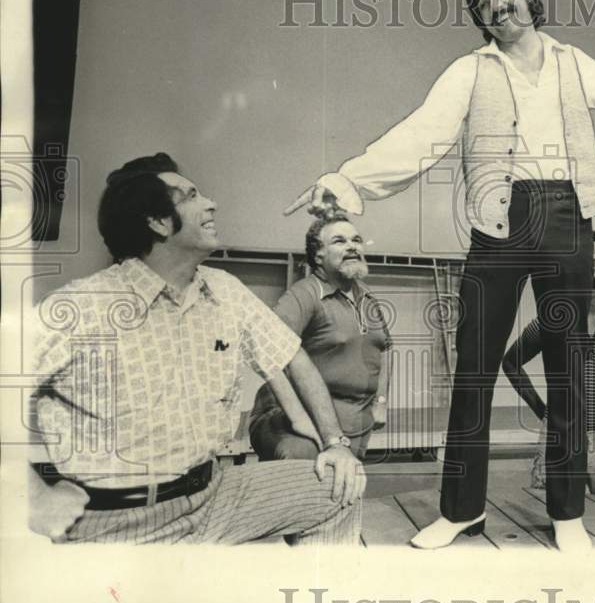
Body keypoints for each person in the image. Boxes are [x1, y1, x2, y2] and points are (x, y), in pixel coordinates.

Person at [285, 0, 595, 552]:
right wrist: (349, 181)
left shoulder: (569, 61)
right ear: (480, 16)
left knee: (567, 368)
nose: (497, 4)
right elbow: (422, 133)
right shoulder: (470, 70)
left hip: (567, 214)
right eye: (484, 1)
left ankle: (567, 514)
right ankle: (461, 509)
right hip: (499, 217)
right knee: (475, 368)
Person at [28, 153, 364, 545]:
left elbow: (291, 356)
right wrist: (32, 498)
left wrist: (335, 444)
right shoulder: (82, 305)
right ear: (157, 222)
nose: (211, 203)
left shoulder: (224, 290)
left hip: (213, 495)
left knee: (338, 489)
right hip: (118, 520)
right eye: (191, 196)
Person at [502, 230, 595, 502]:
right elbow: (511, 362)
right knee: (546, 517)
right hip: (558, 435)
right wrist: (542, 410)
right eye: (589, 252)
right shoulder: (554, 320)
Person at [249, 214, 391, 462]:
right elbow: (265, 345)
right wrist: (298, 417)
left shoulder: (367, 296)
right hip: (300, 423)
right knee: (306, 480)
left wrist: (381, 401)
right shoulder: (305, 294)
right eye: (339, 241)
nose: (352, 246)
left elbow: (385, 348)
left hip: (355, 421)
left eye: (356, 240)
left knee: (340, 493)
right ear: (318, 256)